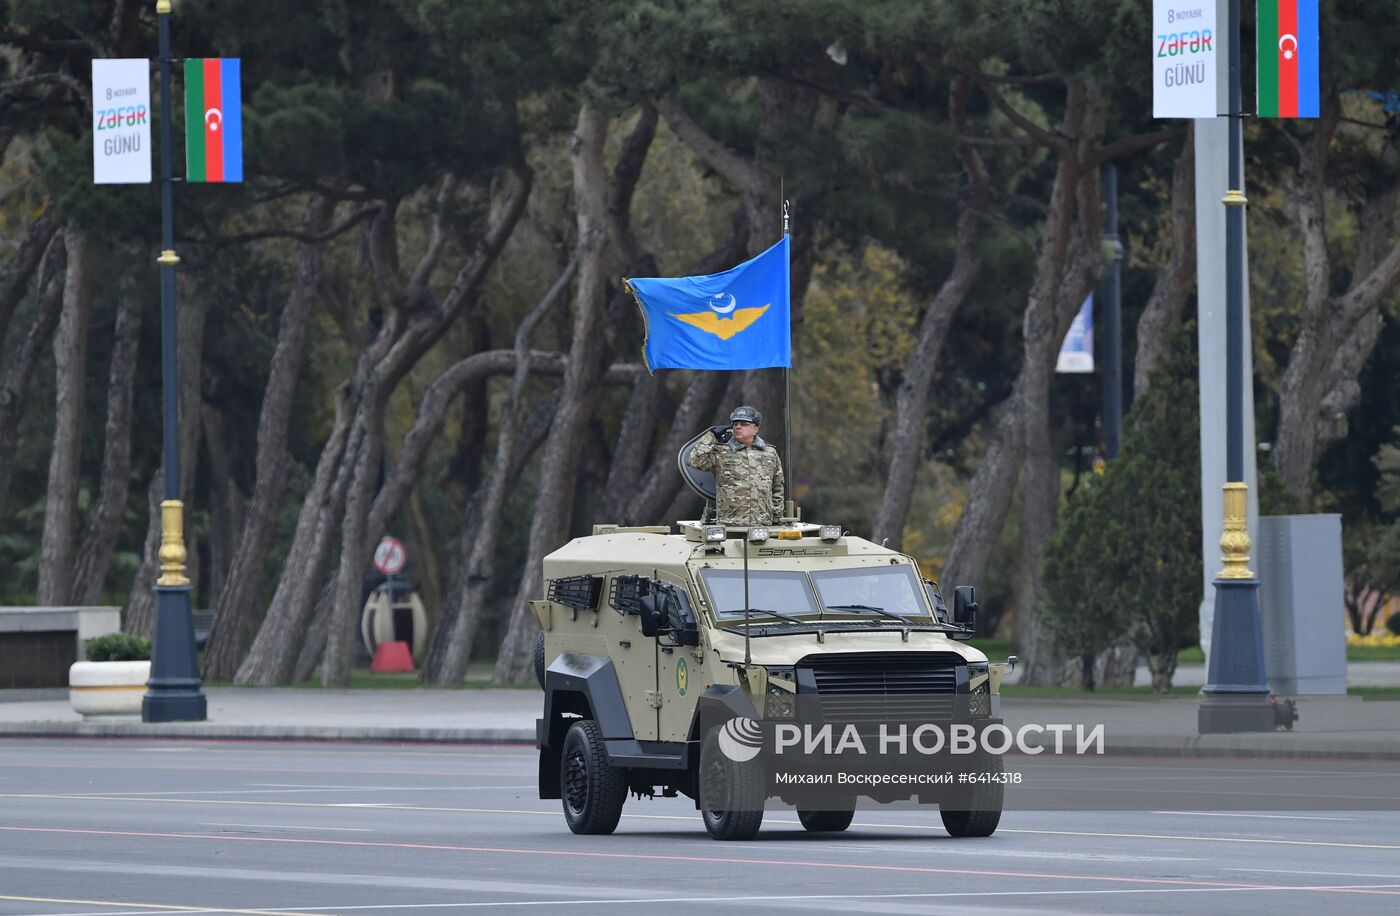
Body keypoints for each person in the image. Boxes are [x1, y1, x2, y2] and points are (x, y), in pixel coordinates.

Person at [688, 405, 785, 526]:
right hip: (729, 526)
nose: (738, 427)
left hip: (762, 526)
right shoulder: (721, 452)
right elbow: (694, 461)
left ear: (755, 429)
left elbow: (778, 486)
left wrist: (777, 517)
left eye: (744, 424)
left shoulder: (770, 453)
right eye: (735, 424)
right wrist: (711, 436)